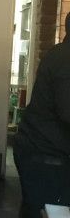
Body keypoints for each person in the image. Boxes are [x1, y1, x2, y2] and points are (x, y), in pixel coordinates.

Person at [13, 13, 70, 217]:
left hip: (40, 149)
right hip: (47, 154)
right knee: (49, 210)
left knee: (36, 209)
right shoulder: (66, 59)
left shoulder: (60, 53)